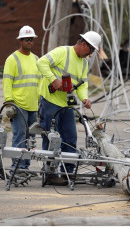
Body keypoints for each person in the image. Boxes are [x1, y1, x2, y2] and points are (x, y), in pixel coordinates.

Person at [37, 31, 101, 186]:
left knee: (70, 138)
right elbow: (41, 63)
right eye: (91, 50)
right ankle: (50, 174)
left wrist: (84, 97)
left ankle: (68, 173)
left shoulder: (84, 62)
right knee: (51, 137)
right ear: (84, 44)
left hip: (67, 105)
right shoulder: (62, 52)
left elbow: (82, 83)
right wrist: (53, 80)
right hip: (50, 102)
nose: (91, 54)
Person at [3, 25, 41, 176]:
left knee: (30, 138)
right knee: (19, 136)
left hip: (33, 105)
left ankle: (26, 167)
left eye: (31, 39)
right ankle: (17, 167)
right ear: (20, 41)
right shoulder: (12, 59)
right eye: (26, 39)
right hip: (19, 105)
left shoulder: (36, 59)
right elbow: (7, 81)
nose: (29, 41)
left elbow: (39, 82)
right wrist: (9, 101)